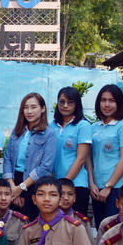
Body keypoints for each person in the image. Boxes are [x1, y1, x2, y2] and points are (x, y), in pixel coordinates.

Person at [2, 92, 57, 221]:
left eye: (33, 107)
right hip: (14, 181)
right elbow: (7, 158)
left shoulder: (49, 134)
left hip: (34, 184)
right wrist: (13, 187)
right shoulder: (16, 132)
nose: (29, 111)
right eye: (26, 107)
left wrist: (21, 188)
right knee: (13, 224)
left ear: (43, 109)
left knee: (31, 223)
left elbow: (45, 166)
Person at [88, 84, 123, 228]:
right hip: (96, 188)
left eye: (112, 100)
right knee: (100, 228)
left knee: (114, 230)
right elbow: (89, 158)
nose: (107, 104)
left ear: (119, 103)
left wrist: (108, 186)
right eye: (103, 100)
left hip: (116, 188)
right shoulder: (94, 127)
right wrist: (92, 183)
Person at [53, 87, 92, 220]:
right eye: (62, 102)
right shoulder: (51, 125)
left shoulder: (83, 125)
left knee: (75, 225)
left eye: (70, 102)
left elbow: (81, 159)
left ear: (77, 104)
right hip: (55, 185)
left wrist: (64, 184)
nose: (65, 105)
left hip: (76, 186)